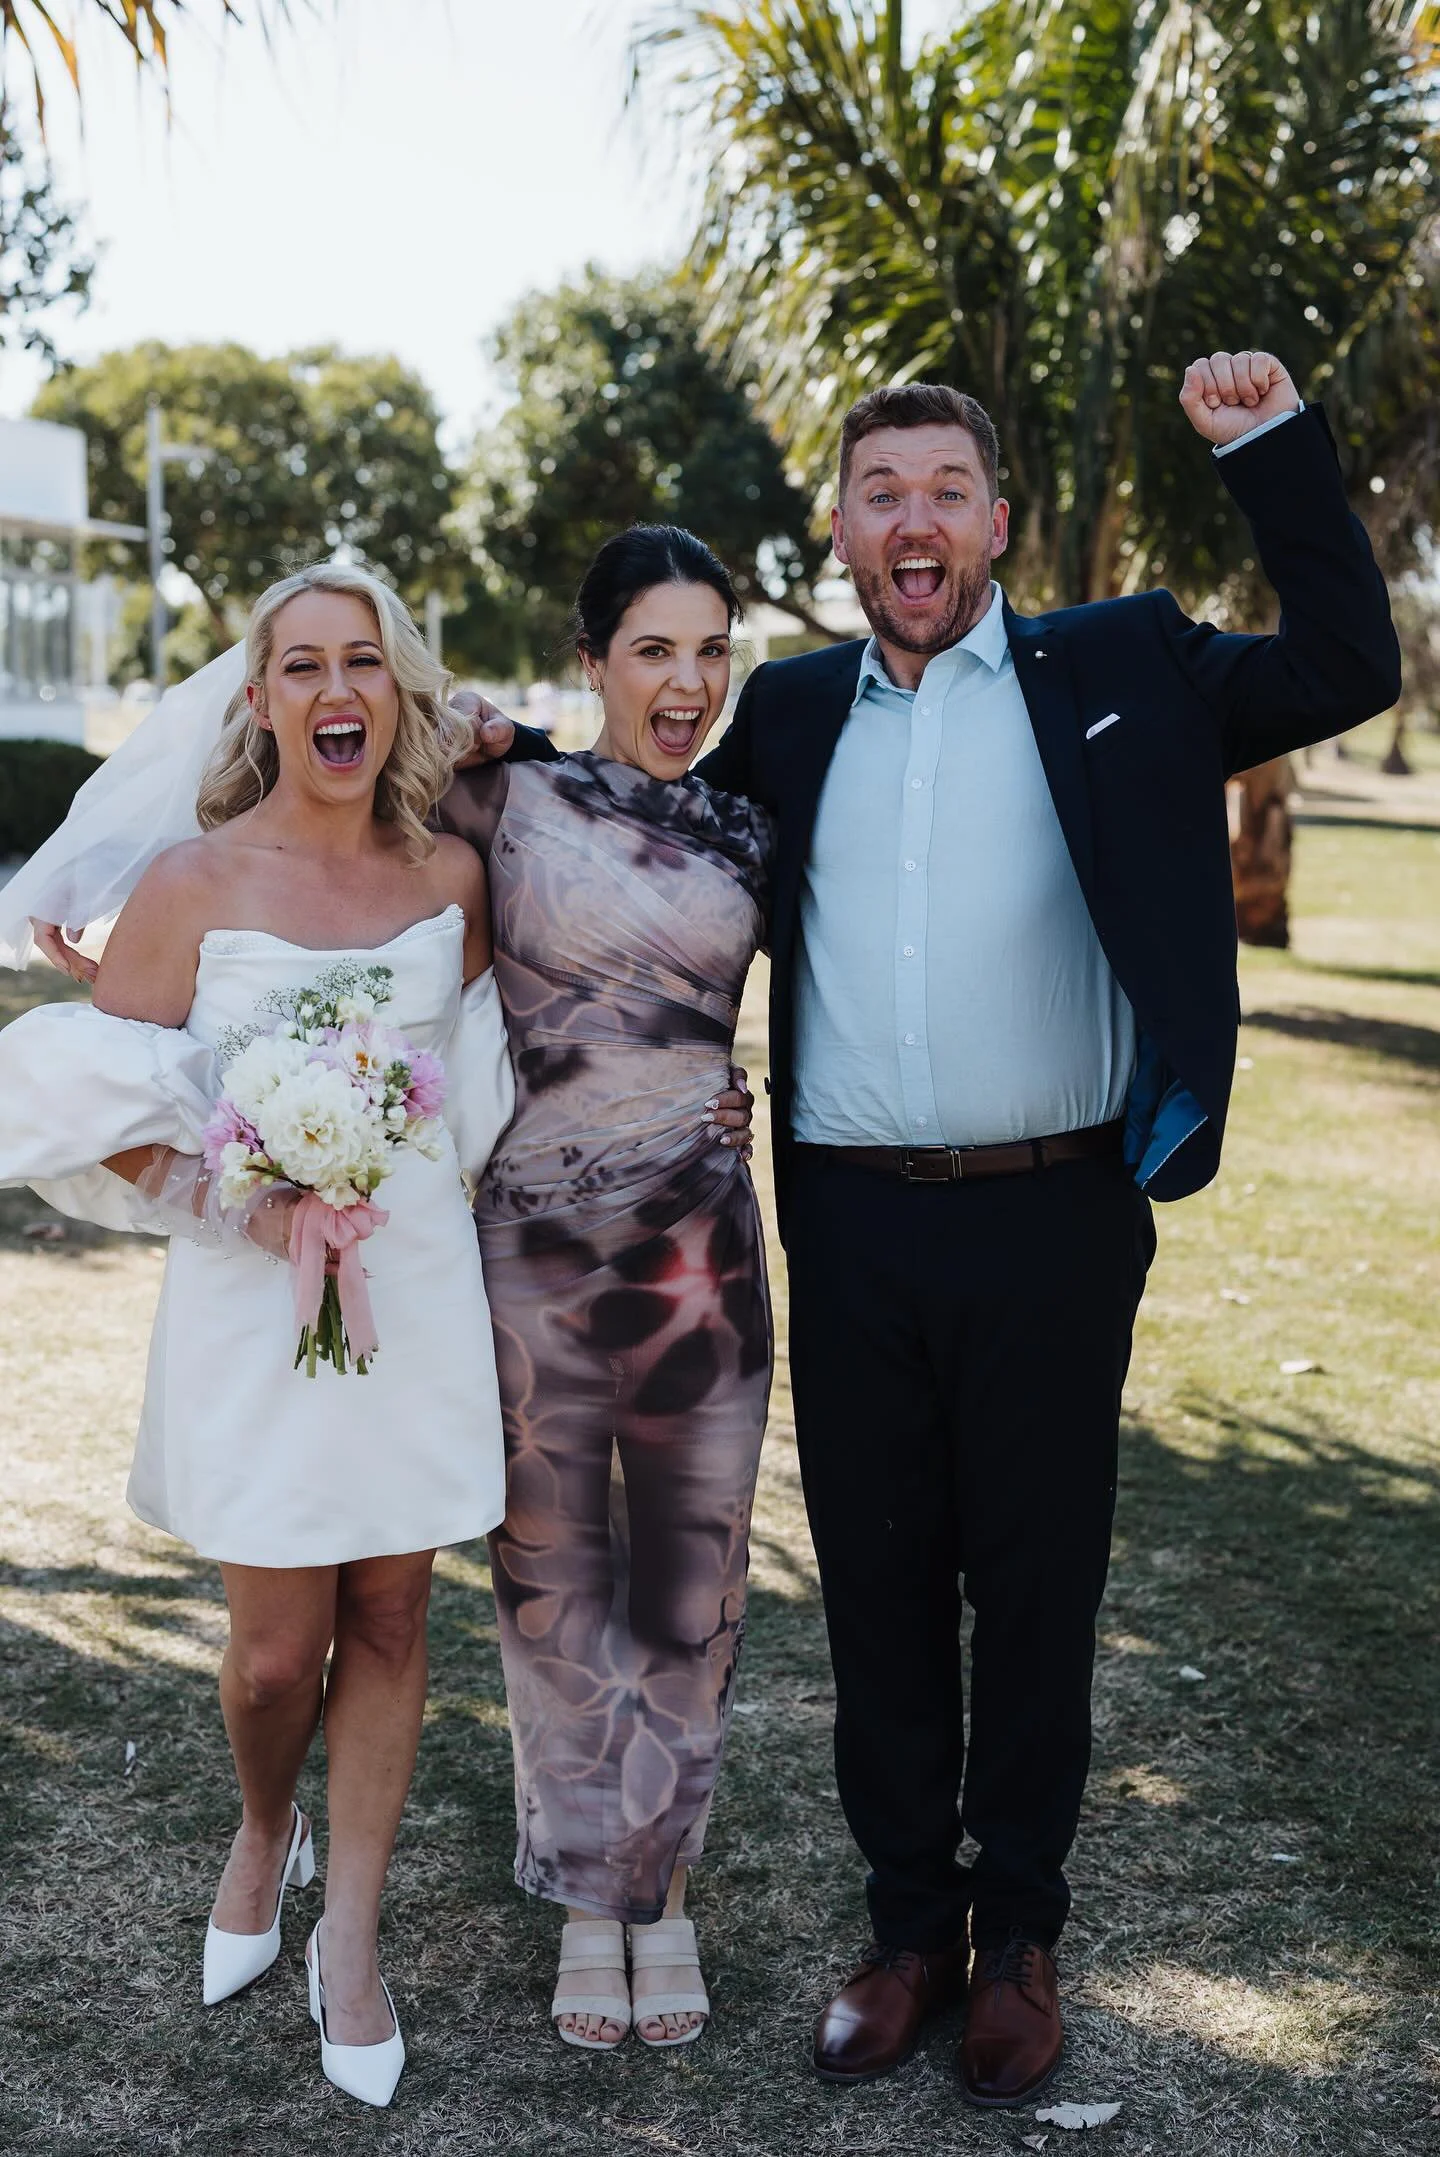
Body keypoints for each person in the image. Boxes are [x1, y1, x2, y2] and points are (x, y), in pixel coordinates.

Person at [473, 352, 1400, 2107]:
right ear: (841, 526)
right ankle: (908, 1935)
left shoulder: (1126, 663)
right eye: (880, 490)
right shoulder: (798, 713)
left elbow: (1354, 662)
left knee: (1037, 1593)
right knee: (885, 1599)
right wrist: (508, 753)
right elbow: (645, 810)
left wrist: (1268, 451)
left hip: (1058, 1216)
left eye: (944, 490)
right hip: (855, 1227)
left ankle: (1022, 1940)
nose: (914, 520)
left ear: (994, 521)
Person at [0, 565, 517, 2109]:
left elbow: (473, 1097)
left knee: (398, 1623)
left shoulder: (451, 879)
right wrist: (257, 1194)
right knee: (278, 1654)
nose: (335, 691)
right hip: (253, 1296)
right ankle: (261, 1824)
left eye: (364, 663)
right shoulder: (190, 887)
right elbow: (100, 1122)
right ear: (261, 698)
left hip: (413, 1288)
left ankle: (347, 1936)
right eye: (303, 666)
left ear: (398, 696)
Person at [438, 525, 773, 2052]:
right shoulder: (503, 794)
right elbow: (311, 811)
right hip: (536, 1246)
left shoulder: (756, 826)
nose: (689, 680)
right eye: (655, 648)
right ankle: (590, 1903)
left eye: (713, 648)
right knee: (559, 1588)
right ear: (591, 662)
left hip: (703, 1243)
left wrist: (739, 1089)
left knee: (687, 1592)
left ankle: (667, 1893)